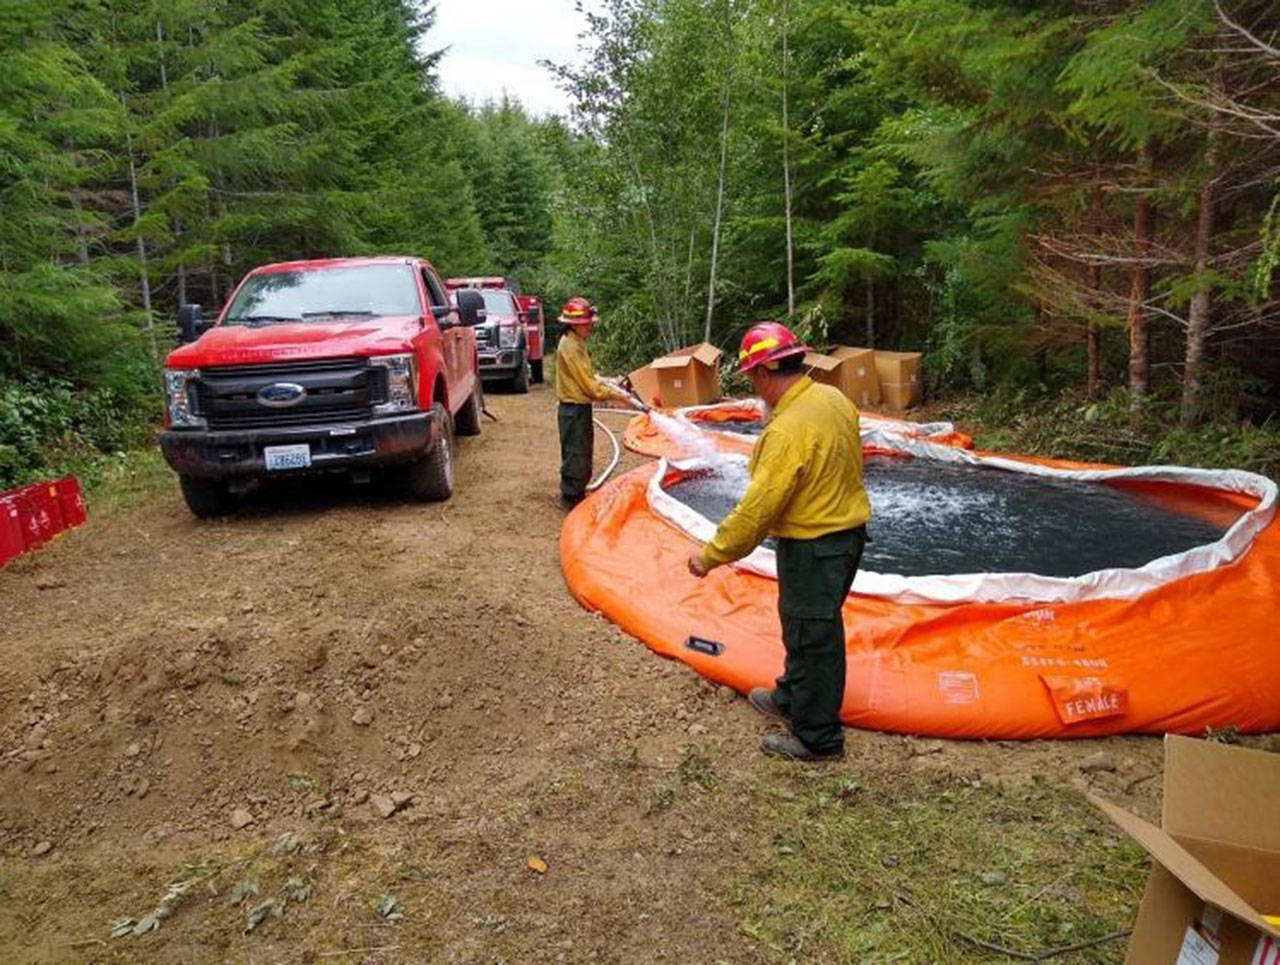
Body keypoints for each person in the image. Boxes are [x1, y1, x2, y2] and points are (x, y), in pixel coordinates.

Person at [687, 321, 870, 762]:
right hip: (843, 536)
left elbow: (758, 508)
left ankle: (818, 738)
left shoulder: (786, 431)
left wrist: (712, 555)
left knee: (814, 637)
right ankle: (791, 695)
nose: (754, 387)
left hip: (816, 545)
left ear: (766, 371)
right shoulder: (832, 398)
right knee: (803, 626)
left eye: (752, 377)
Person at [554, 297, 637, 507]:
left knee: (582, 451)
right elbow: (590, 387)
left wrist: (611, 382)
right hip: (573, 409)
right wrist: (621, 397)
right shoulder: (570, 347)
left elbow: (590, 376)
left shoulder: (576, 342)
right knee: (576, 454)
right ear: (574, 324)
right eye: (587, 323)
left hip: (579, 408)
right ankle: (572, 498)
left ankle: (576, 492)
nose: (591, 326)